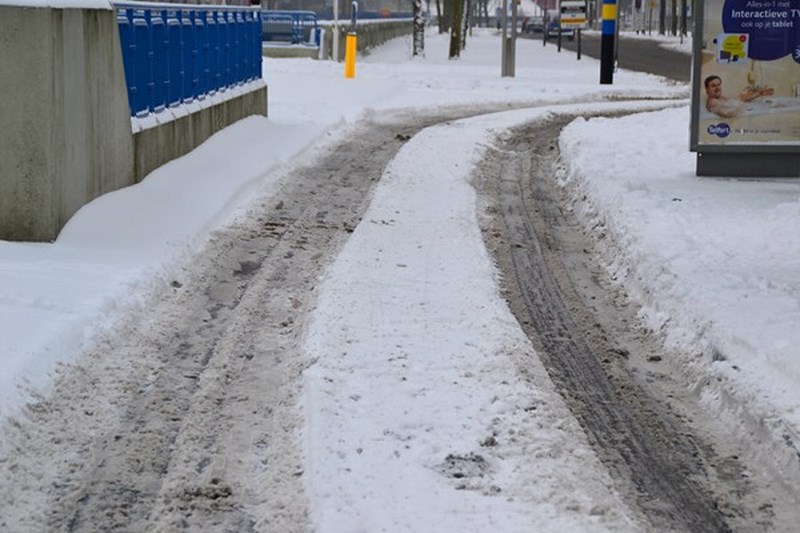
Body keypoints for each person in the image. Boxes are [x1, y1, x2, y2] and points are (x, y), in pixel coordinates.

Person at [704, 74, 774, 118]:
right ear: (707, 89)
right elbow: (727, 114)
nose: (717, 88)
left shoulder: (719, 99)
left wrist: (759, 93)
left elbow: (739, 98)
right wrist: (744, 108)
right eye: (713, 86)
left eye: (718, 85)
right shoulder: (712, 103)